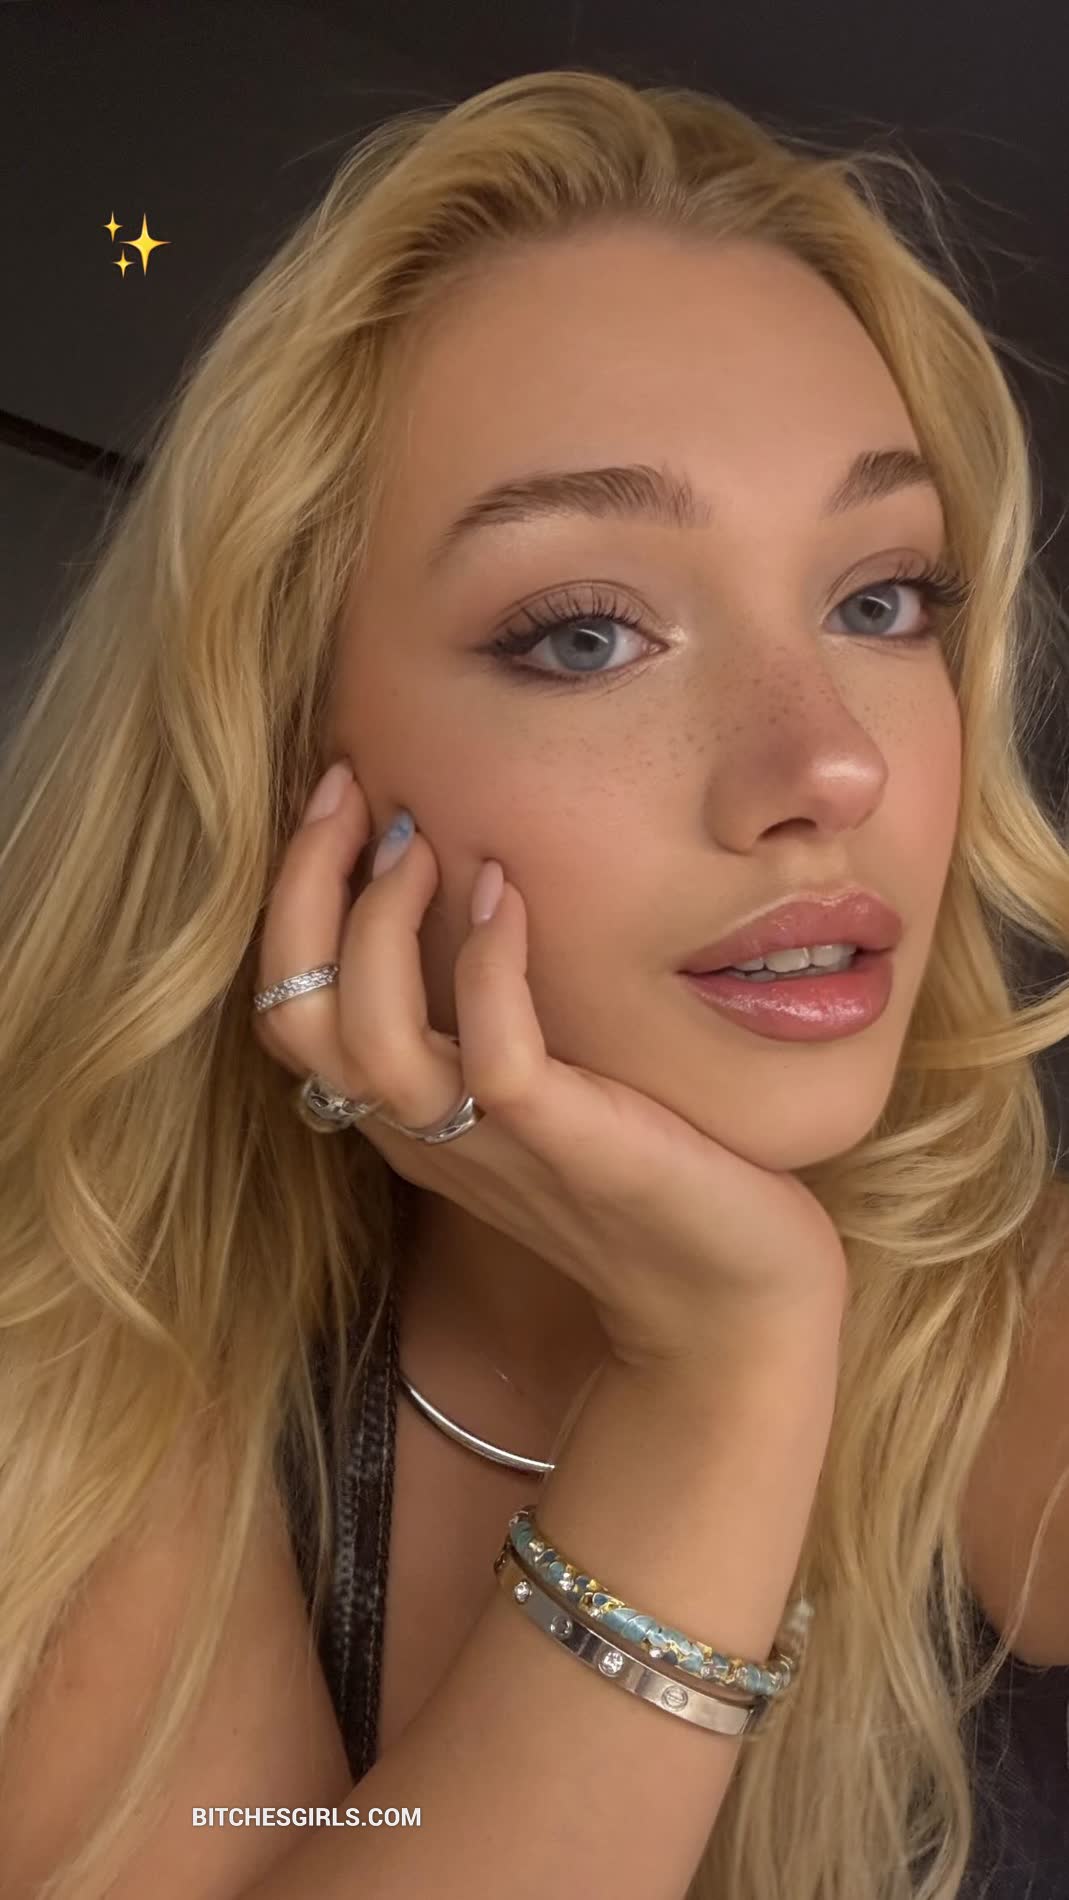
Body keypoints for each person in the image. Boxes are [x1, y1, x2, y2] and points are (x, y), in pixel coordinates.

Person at [1, 66, 1068, 1900]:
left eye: (879, 599)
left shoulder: (1022, 1338)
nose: (829, 763)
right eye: (584, 633)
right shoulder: (86, 1362)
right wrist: (719, 1371)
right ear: (292, 763)